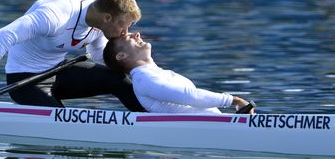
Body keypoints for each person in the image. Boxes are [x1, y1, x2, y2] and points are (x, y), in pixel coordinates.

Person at [0, 0, 145, 112]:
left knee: (119, 80)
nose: (125, 31)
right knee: (63, 118)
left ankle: (155, 119)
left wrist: (140, 72)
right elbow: (2, 36)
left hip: (58, 70)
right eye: (124, 26)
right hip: (24, 80)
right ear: (107, 18)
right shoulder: (54, 16)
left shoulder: (99, 20)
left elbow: (98, 56)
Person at [103, 32, 254, 114]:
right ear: (121, 56)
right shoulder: (144, 80)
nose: (137, 34)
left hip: (212, 125)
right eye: (128, 37)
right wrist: (235, 100)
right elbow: (190, 97)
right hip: (203, 129)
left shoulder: (156, 74)